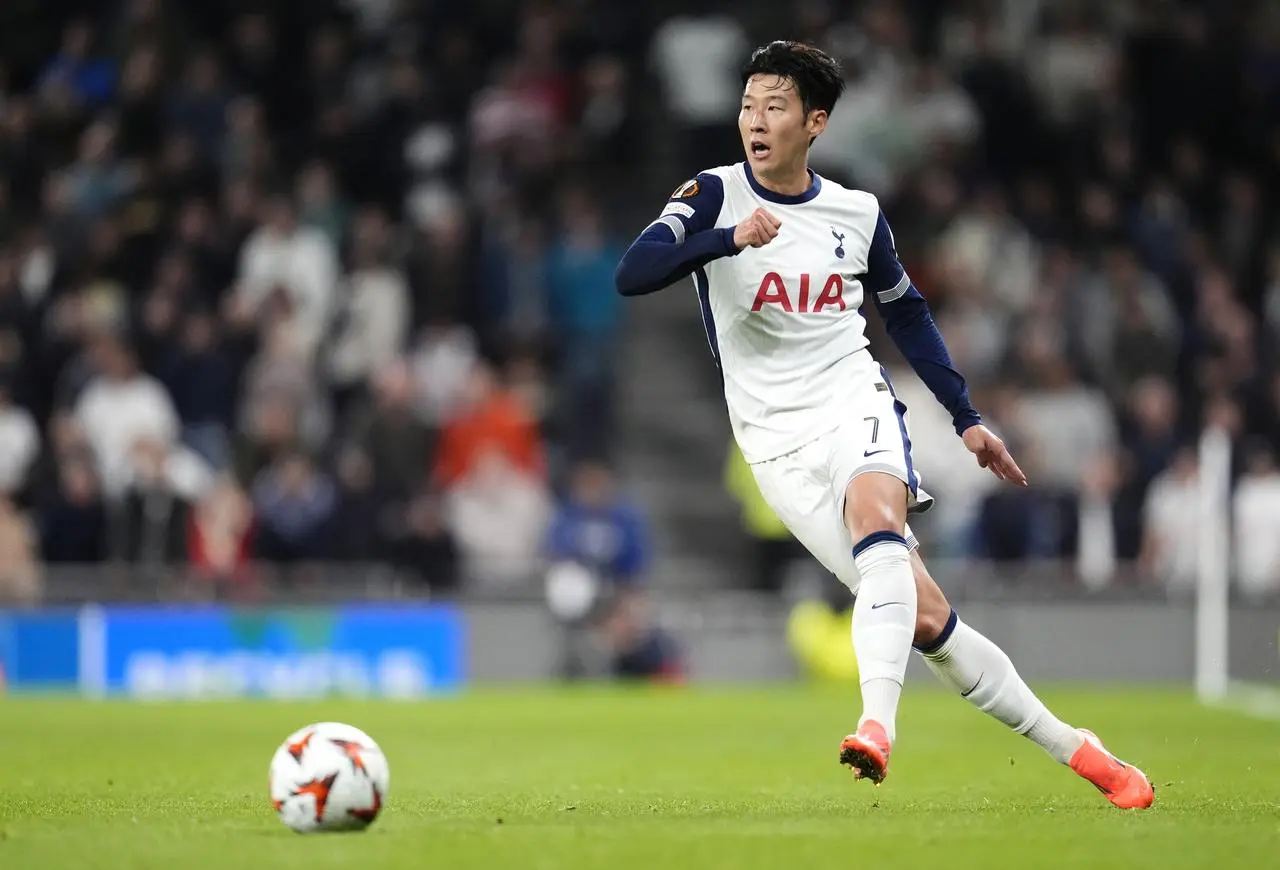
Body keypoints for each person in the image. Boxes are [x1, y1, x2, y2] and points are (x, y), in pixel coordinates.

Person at [614, 41, 1152, 809]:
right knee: (925, 615)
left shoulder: (855, 214)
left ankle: (876, 725)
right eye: (747, 105)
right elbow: (633, 273)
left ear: (815, 122)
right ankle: (1075, 746)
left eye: (774, 107)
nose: (755, 121)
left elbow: (907, 314)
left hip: (852, 399)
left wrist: (966, 418)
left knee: (878, 522)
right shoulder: (711, 195)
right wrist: (725, 240)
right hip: (773, 441)